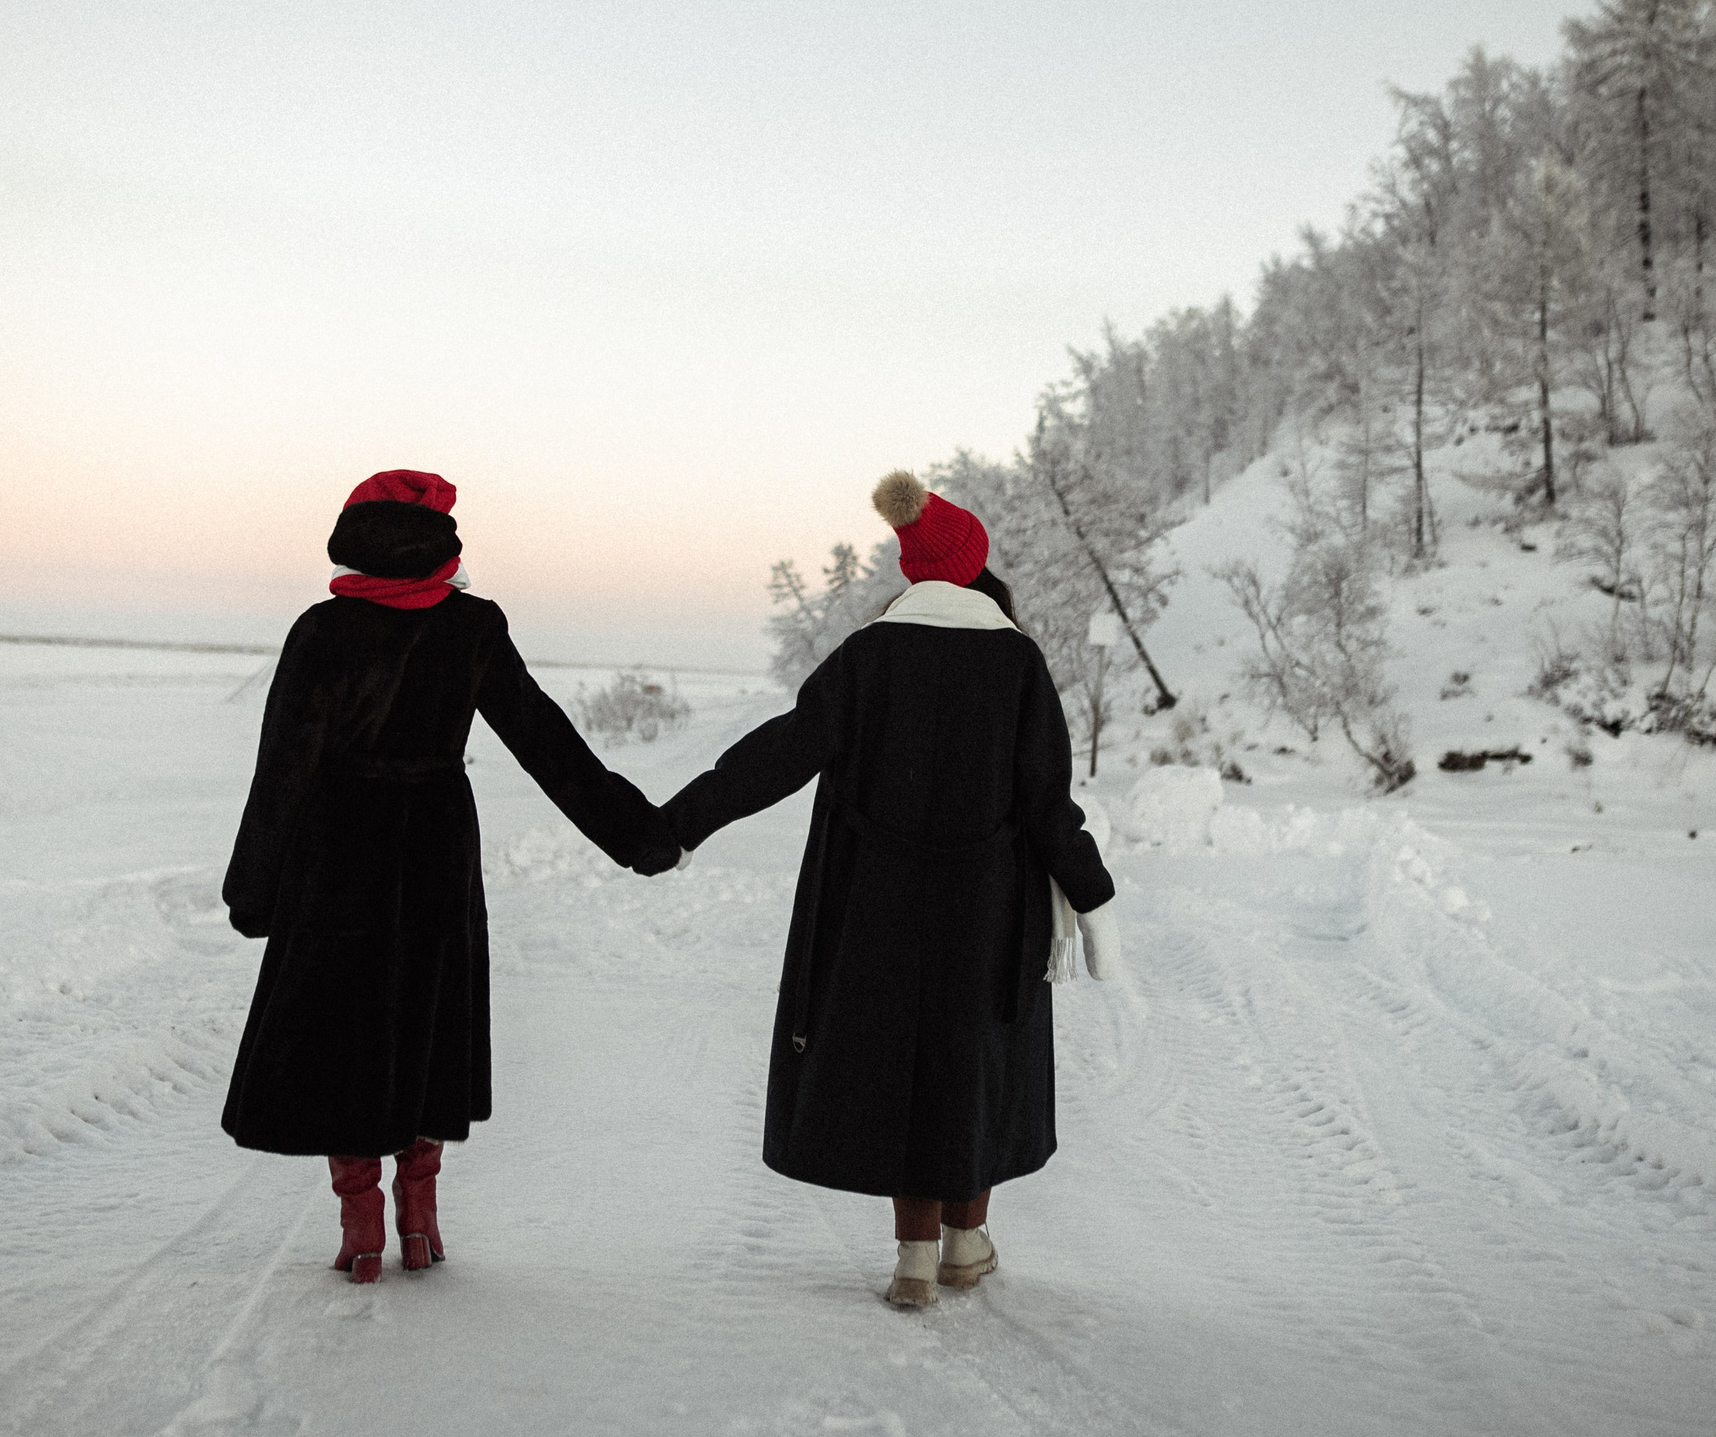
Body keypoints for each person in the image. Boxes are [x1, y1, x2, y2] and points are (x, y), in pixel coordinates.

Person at [663, 470, 1122, 1306]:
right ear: (977, 567)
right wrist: (1091, 897)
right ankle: (965, 1244)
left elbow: (782, 751)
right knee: (972, 1064)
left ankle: (913, 1260)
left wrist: (683, 822)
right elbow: (1047, 803)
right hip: (989, 912)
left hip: (878, 910)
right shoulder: (1016, 661)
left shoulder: (867, 657)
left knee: (902, 1067)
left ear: (913, 573)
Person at [221, 469, 679, 1282]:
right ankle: (420, 1212)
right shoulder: (472, 626)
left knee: (345, 1028)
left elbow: (282, 768)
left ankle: (361, 1221)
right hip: (434, 843)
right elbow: (546, 740)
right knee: (429, 1017)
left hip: (338, 849)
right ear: (439, 541)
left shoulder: (322, 629)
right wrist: (636, 832)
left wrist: (255, 888)